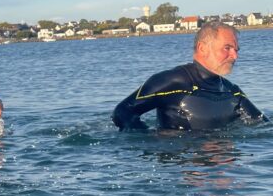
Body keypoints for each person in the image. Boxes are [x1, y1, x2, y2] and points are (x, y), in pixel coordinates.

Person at [112, 22, 266, 132]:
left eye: (236, 50)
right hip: (183, 162)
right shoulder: (173, 81)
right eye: (227, 48)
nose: (235, 56)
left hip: (226, 164)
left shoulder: (232, 91)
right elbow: (122, 112)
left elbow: (264, 126)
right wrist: (153, 139)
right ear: (202, 48)